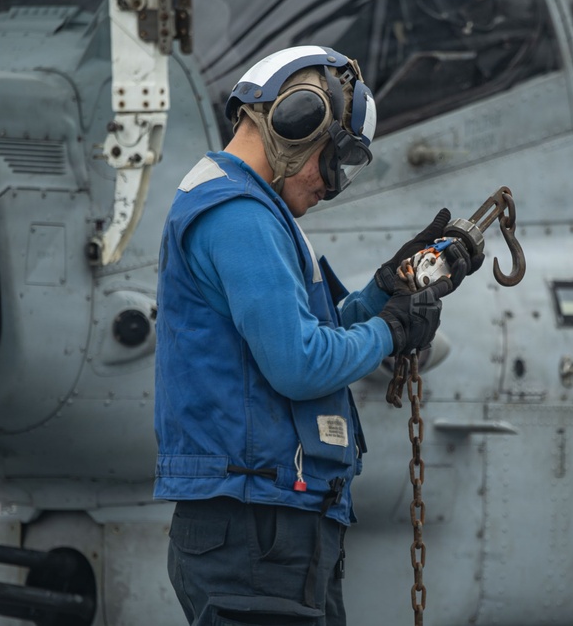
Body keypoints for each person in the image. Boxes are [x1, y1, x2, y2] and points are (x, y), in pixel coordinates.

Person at [153, 45, 481, 626]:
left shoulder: (253, 212)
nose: (331, 185)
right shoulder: (239, 216)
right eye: (339, 158)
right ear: (299, 121)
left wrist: (385, 293)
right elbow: (300, 364)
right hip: (257, 530)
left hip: (274, 525)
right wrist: (388, 331)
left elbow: (310, 335)